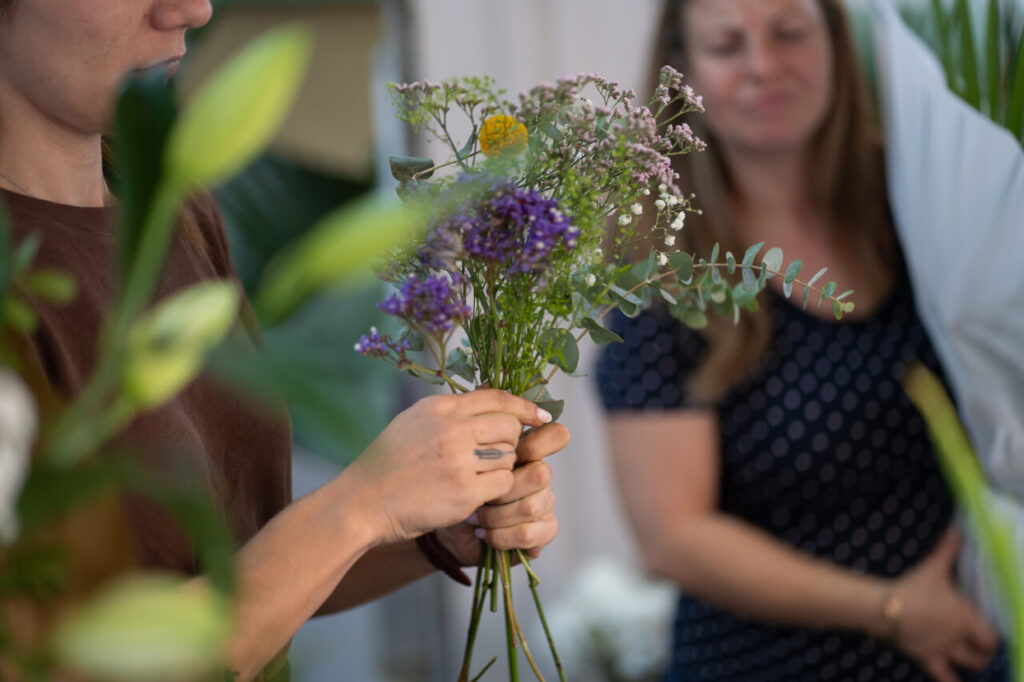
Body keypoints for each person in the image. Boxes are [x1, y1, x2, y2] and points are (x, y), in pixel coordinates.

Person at [0, 1, 567, 680]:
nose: (193, 8)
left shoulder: (172, 211)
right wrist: (362, 503)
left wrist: (433, 532)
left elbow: (244, 568)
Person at [596, 1, 1006, 680]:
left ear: (837, 44)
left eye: (790, 33)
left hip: (965, 646)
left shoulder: (918, 197)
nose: (764, 66)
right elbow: (673, 537)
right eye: (727, 46)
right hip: (773, 664)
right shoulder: (663, 268)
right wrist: (894, 609)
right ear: (683, 70)